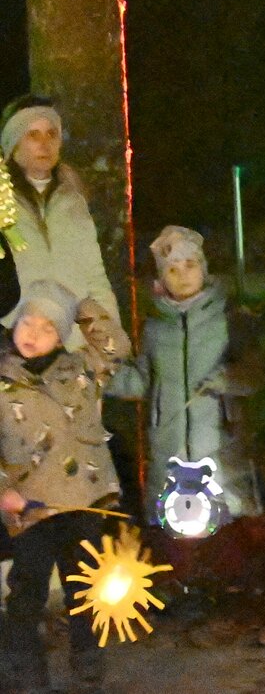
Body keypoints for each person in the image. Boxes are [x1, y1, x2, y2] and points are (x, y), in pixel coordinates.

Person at [0, 281, 131, 687]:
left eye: (47, 327)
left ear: (61, 334)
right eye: (27, 322)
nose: (32, 334)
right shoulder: (2, 379)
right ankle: (23, 663)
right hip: (31, 504)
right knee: (27, 589)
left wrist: (80, 305)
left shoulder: (80, 370)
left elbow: (116, 346)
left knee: (85, 582)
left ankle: (87, 651)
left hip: (82, 501)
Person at [111, 227, 264, 524]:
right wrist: (103, 376)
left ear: (203, 268)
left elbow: (255, 373)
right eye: (172, 269)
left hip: (219, 451)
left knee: (223, 538)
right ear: (161, 278)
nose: (183, 275)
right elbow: (142, 381)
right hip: (169, 453)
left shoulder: (229, 318)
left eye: (190, 265)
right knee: (175, 541)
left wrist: (229, 379)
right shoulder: (154, 329)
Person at [2, 100, 120, 348]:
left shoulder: (73, 200)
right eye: (33, 135)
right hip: (18, 340)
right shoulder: (2, 201)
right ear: (13, 144)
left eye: (51, 134)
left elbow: (94, 276)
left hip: (74, 342)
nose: (44, 144)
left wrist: (112, 337)